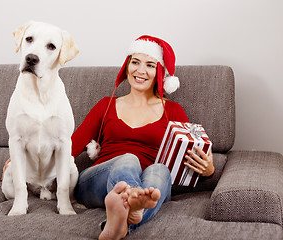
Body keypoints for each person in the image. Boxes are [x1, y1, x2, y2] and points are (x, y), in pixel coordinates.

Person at [71, 35, 215, 239]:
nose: (140, 70)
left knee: (161, 170)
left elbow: (190, 158)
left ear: (160, 73)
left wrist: (208, 170)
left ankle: (122, 222)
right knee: (129, 159)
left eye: (150, 65)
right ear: (127, 66)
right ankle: (134, 203)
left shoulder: (173, 111)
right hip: (97, 181)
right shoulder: (106, 105)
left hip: (151, 182)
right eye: (135, 62)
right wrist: (23, 163)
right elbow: (69, 148)